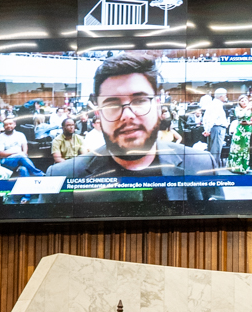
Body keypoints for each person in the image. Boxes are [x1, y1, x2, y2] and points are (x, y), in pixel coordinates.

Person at [45, 53, 223, 201]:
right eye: (112, 104)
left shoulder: (202, 164)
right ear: (98, 112)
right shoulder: (63, 176)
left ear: (158, 105)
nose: (128, 115)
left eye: (139, 100)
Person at [201, 88, 229, 164]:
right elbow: (211, 119)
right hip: (217, 129)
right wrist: (207, 130)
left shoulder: (212, 104)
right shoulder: (217, 105)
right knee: (215, 151)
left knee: (213, 151)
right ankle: (213, 170)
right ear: (221, 96)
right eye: (225, 95)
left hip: (214, 129)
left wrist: (207, 129)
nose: (226, 96)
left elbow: (205, 118)